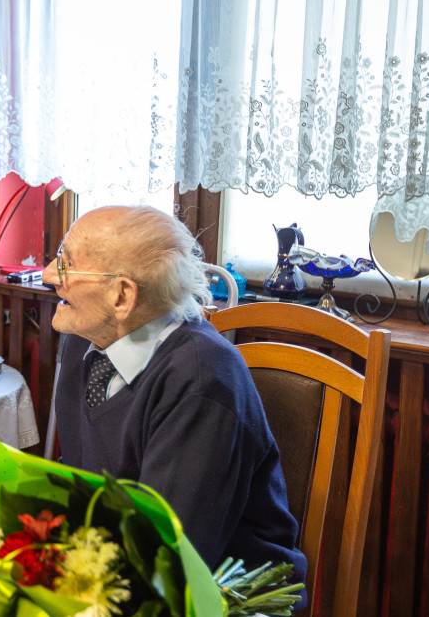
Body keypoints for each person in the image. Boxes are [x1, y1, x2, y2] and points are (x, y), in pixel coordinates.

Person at [43, 206, 307, 600]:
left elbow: (170, 559)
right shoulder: (86, 339)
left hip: (222, 594)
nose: (48, 275)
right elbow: (84, 479)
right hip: (115, 572)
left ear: (122, 296)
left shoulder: (202, 378)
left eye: (65, 265)